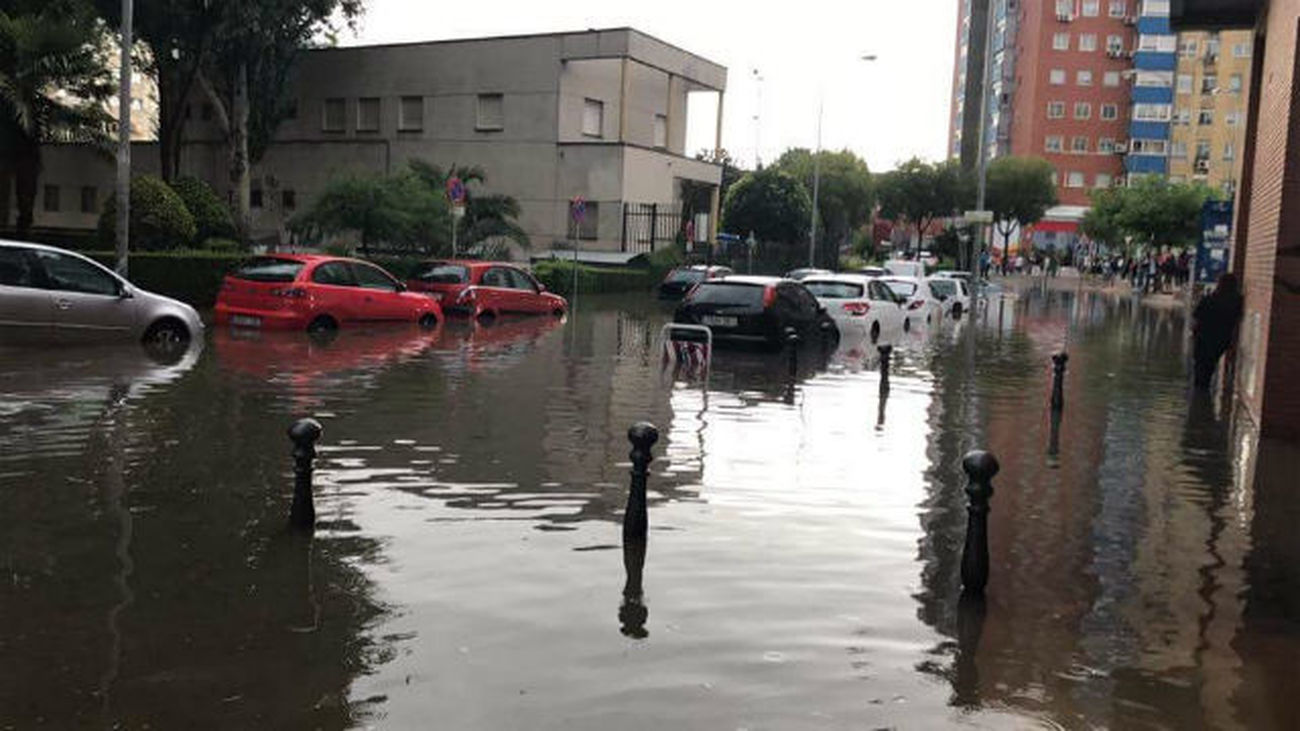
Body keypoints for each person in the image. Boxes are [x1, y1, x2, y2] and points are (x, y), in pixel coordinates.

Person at [1191, 273, 1244, 390]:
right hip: (1222, 340)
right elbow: (1237, 320)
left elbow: (1196, 318)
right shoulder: (1236, 302)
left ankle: (1200, 397)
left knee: (1200, 370)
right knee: (1210, 367)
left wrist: (1194, 334)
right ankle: (1204, 394)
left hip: (1203, 339)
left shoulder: (1209, 299)